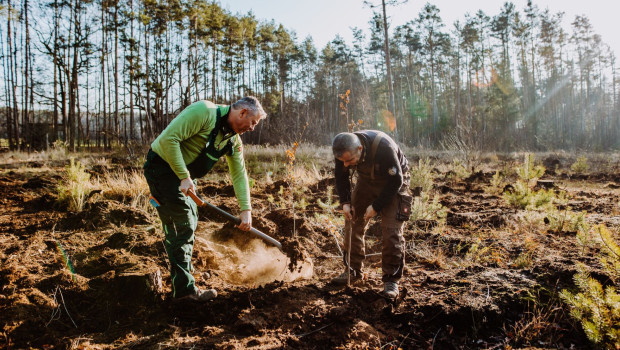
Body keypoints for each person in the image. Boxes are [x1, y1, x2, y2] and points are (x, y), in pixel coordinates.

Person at [143, 97, 266, 301]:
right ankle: (184, 292)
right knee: (182, 223)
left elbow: (239, 174)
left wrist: (246, 210)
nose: (252, 128)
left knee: (190, 220)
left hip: (183, 178)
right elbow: (168, 140)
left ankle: (183, 278)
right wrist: (184, 176)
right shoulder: (204, 112)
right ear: (243, 112)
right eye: (253, 122)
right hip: (163, 170)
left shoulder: (232, 140)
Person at [331, 130, 412, 298]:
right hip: (366, 181)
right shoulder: (343, 149)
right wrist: (345, 202)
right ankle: (352, 271)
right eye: (342, 161)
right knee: (352, 221)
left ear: (360, 149)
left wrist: (376, 206)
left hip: (394, 183)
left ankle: (391, 280)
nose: (346, 164)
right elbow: (341, 175)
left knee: (391, 231)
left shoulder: (384, 148)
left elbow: (396, 181)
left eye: (350, 161)